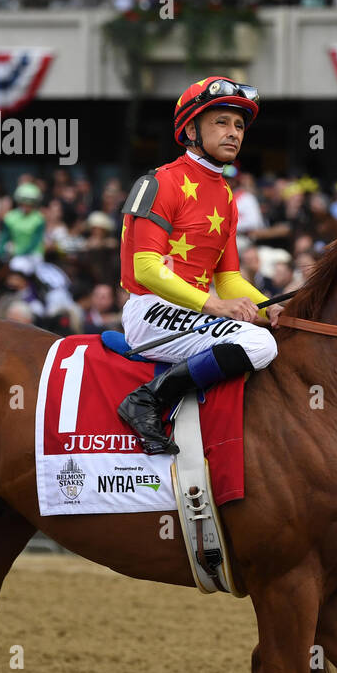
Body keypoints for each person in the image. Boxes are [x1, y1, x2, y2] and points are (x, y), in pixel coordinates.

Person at [116, 77, 283, 455]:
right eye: (221, 122)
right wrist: (216, 307)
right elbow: (145, 269)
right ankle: (146, 400)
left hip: (193, 310)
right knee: (258, 343)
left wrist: (269, 306)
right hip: (150, 311)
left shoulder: (226, 196)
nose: (233, 133)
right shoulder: (159, 182)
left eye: (239, 126)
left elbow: (227, 280)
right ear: (191, 129)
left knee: (278, 333)